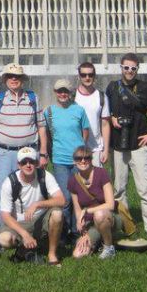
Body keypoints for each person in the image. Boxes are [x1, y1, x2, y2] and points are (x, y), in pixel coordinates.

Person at [105, 53, 147, 238]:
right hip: (117, 145)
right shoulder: (112, 88)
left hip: (139, 144)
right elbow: (105, 113)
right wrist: (112, 117)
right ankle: (126, 226)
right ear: (121, 67)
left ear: (138, 69)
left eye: (133, 68)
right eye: (126, 67)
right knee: (119, 189)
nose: (129, 71)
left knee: (145, 188)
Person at [0, 63, 47, 224]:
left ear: (22, 80)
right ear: (5, 79)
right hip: (5, 154)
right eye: (11, 76)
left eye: (17, 76)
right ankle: (4, 231)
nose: (14, 79)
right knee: (3, 193)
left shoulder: (33, 98)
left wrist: (43, 153)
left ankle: (30, 228)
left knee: (31, 191)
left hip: (29, 154)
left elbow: (41, 127)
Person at [0, 147, 66, 266]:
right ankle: (25, 248)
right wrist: (24, 234)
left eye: (31, 161)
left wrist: (38, 204)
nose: (28, 165)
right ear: (19, 165)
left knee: (57, 213)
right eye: (24, 162)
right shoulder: (10, 182)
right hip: (18, 223)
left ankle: (52, 254)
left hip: (40, 221)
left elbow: (61, 200)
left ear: (37, 163)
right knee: (4, 239)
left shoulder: (45, 176)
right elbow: (5, 215)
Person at [44, 78, 90, 236]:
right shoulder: (48, 112)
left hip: (78, 161)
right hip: (60, 161)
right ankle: (63, 232)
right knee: (65, 198)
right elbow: (46, 135)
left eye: (65, 91)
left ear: (71, 93)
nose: (63, 94)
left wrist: (80, 150)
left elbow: (85, 131)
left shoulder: (79, 110)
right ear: (55, 93)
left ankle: (77, 232)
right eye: (59, 91)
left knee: (77, 196)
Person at [67, 146, 118, 259]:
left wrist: (87, 210)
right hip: (91, 224)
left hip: (109, 217)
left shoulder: (101, 173)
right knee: (78, 255)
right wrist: (83, 231)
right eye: (79, 158)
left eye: (87, 158)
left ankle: (109, 248)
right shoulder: (72, 181)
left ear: (91, 159)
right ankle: (99, 241)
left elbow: (110, 204)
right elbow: (77, 209)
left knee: (99, 214)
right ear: (74, 161)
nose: (83, 161)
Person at [74, 62, 111, 168]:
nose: (87, 78)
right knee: (77, 183)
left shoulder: (102, 96)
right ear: (79, 76)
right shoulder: (73, 96)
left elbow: (105, 124)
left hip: (96, 149)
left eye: (90, 75)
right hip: (76, 148)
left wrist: (106, 150)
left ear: (94, 76)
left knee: (96, 183)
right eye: (83, 75)